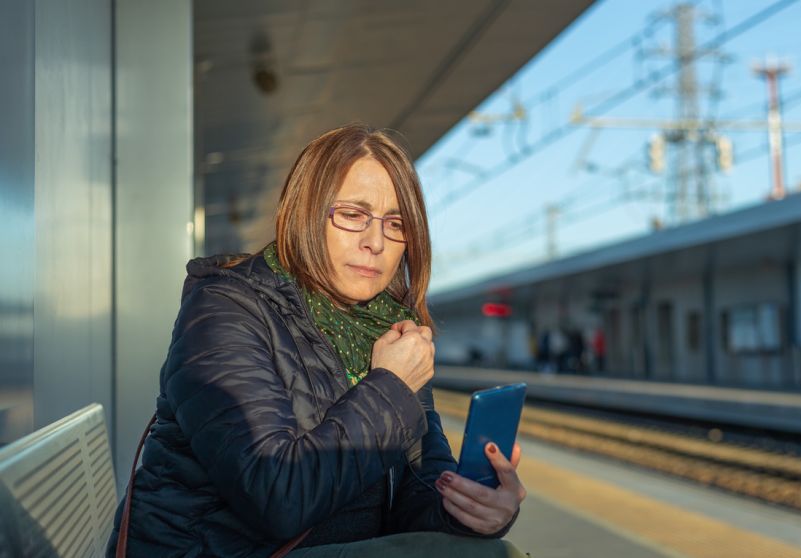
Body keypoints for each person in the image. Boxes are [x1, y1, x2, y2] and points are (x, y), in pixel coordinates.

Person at [106, 124, 527, 557]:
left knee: (491, 547)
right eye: (352, 215)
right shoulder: (224, 310)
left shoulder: (389, 330)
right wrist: (392, 387)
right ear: (305, 213)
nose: (375, 241)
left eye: (396, 223)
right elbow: (277, 498)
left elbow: (412, 499)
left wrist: (473, 511)